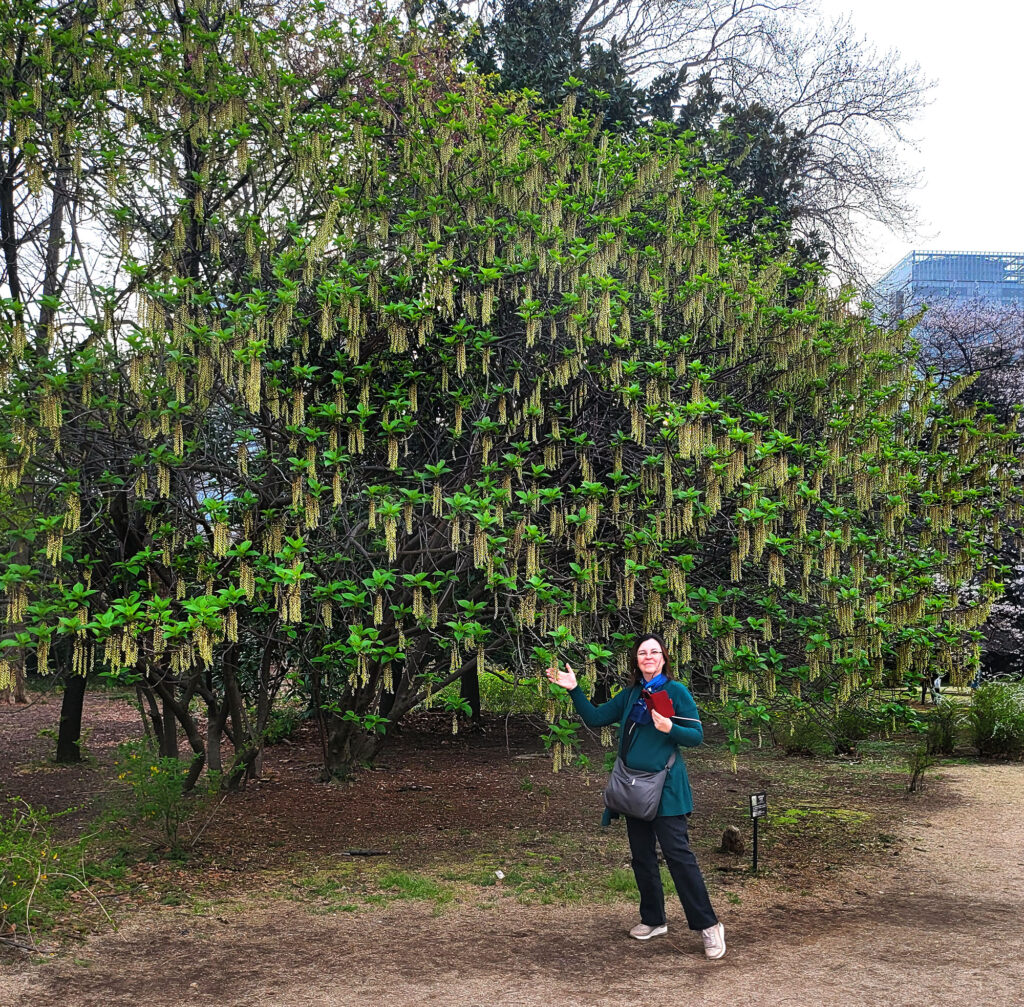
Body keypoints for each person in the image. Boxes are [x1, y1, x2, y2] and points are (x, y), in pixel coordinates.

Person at [546, 632, 725, 960]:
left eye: (654, 652)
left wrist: (670, 728)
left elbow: (696, 736)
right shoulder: (630, 695)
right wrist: (575, 690)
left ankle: (708, 926)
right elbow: (596, 717)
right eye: (643, 653)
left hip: (667, 790)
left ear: (664, 658)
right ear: (636, 660)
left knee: (678, 858)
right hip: (634, 789)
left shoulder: (676, 692)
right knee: (642, 857)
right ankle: (654, 919)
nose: (648, 657)